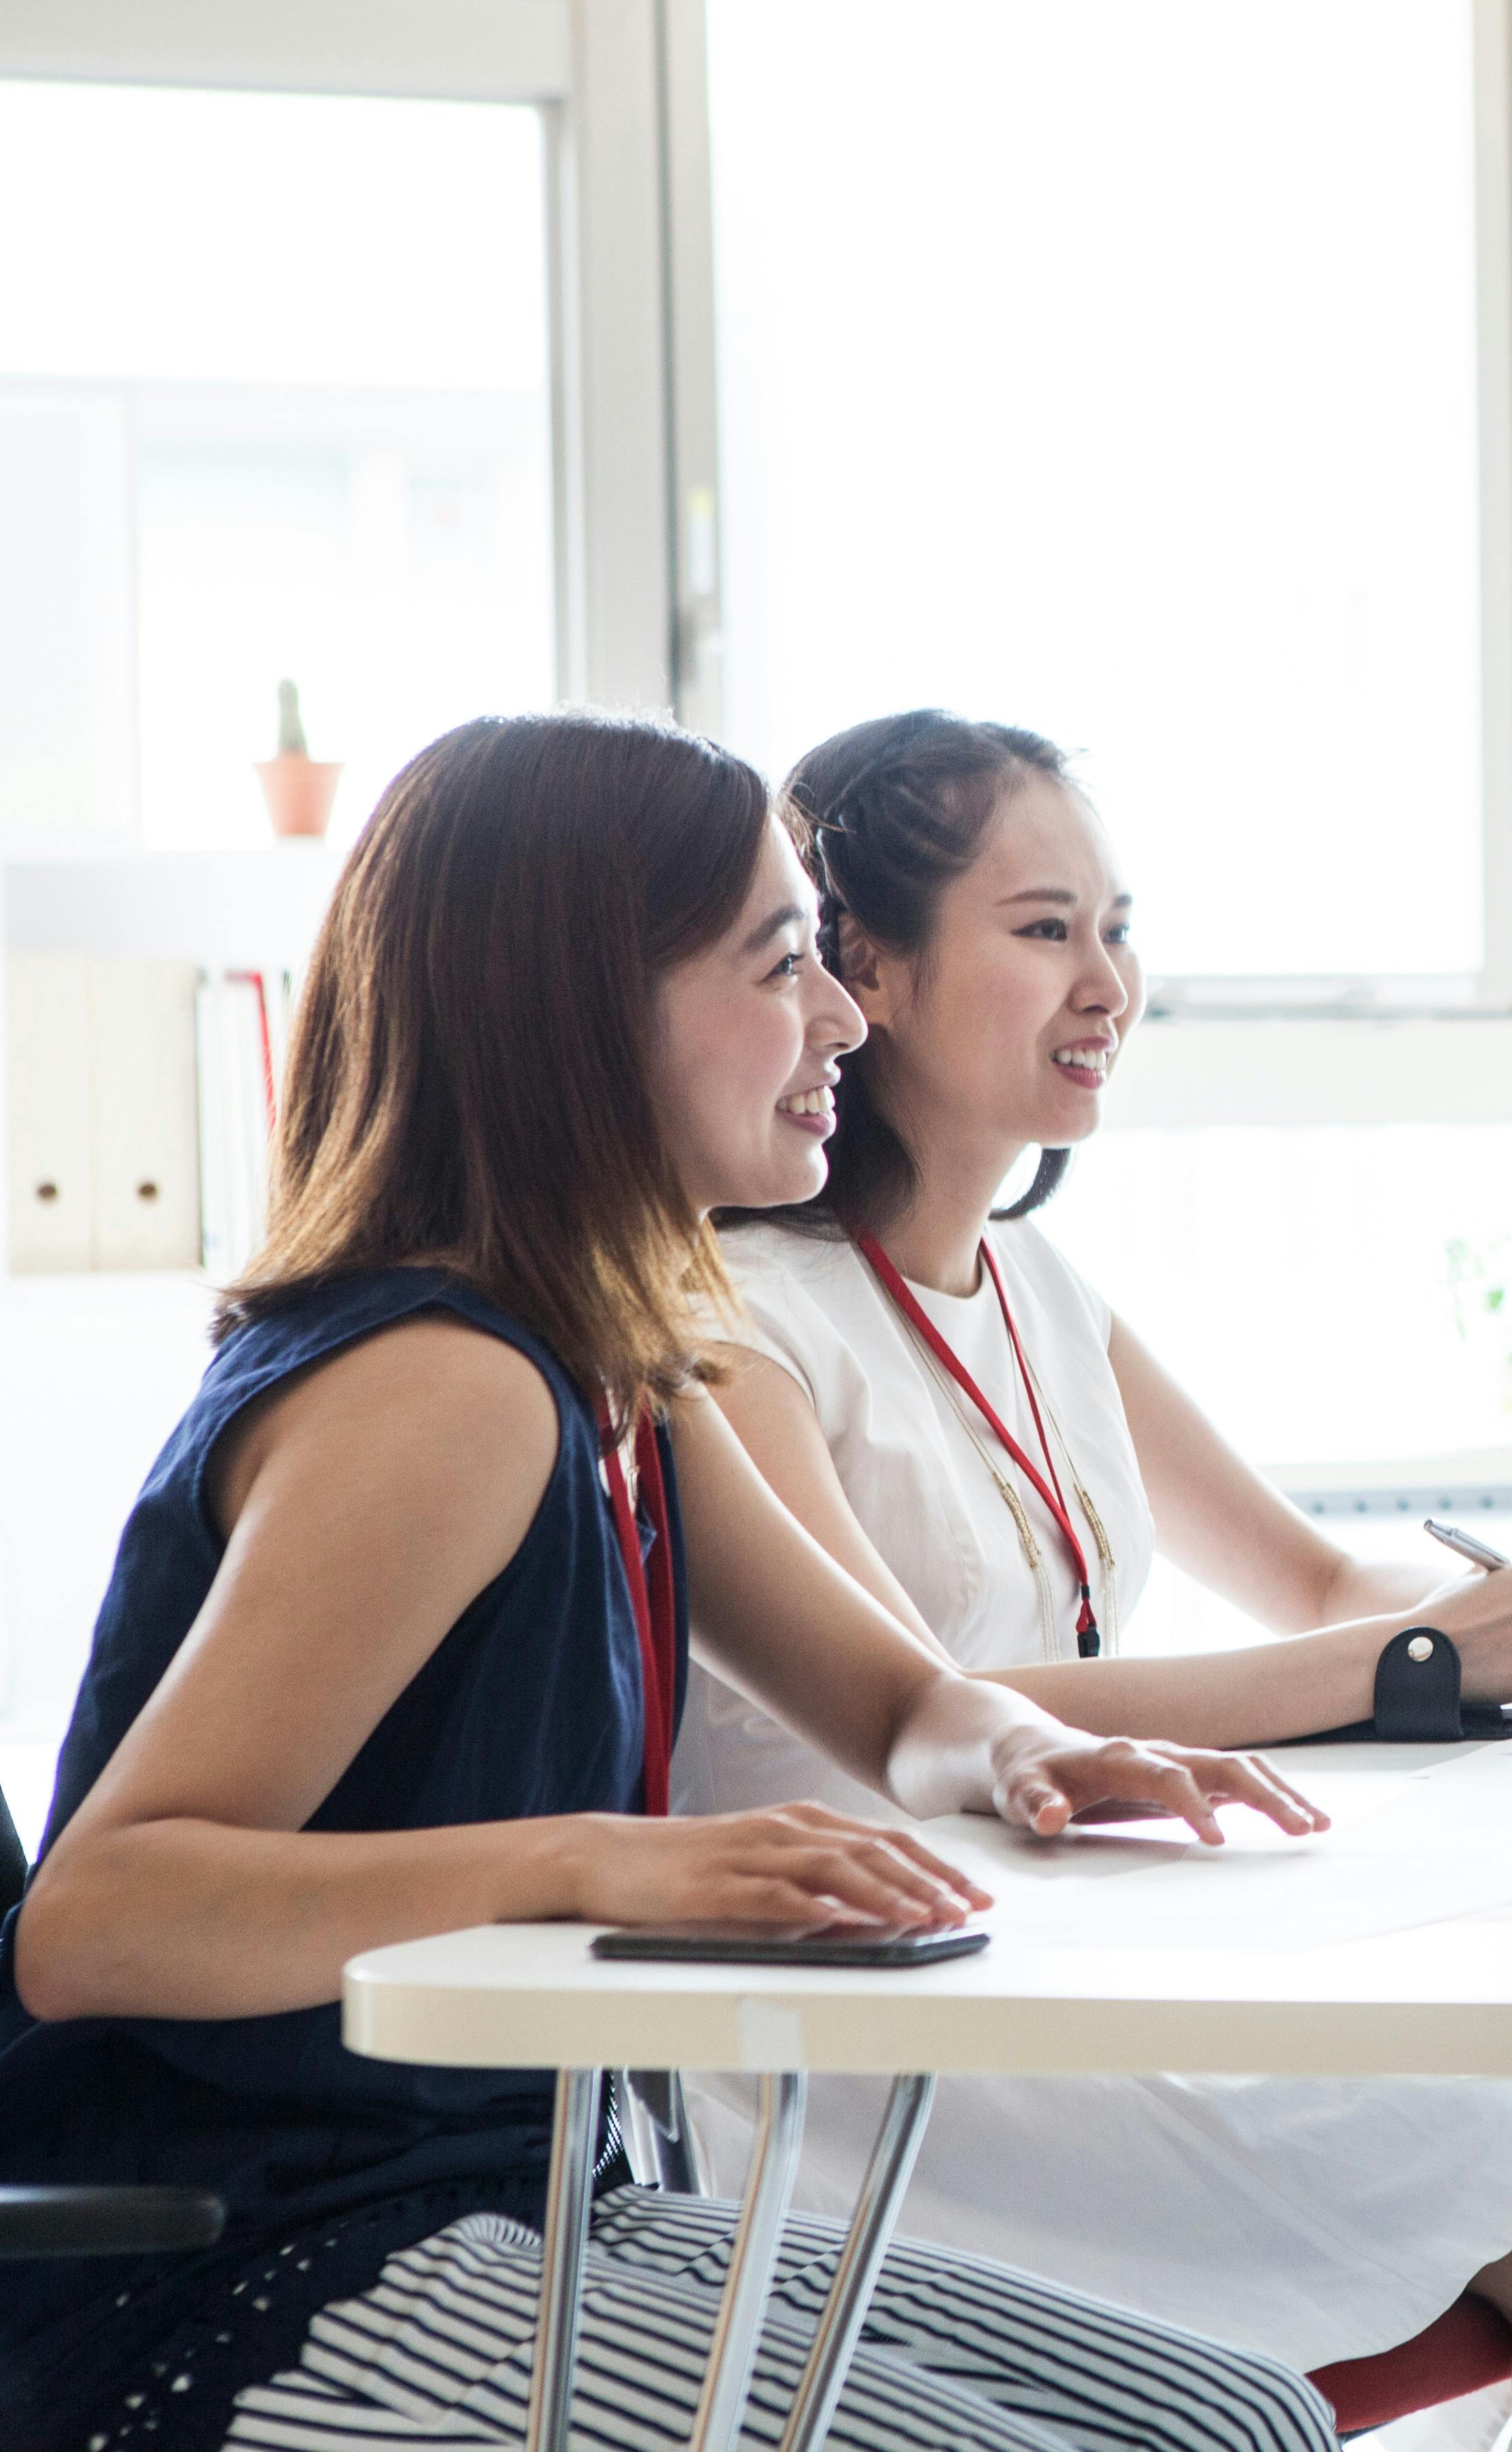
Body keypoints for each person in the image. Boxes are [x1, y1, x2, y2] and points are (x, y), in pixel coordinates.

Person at [0, 712, 1343, 2452]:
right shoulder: (446, 1393)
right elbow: (97, 1922)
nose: (842, 1016)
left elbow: (901, 1705)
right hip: (255, 2276)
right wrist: (592, 1860)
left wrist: (1032, 1755)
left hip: (535, 2200)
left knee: (1248, 2419)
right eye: (782, 964)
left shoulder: (625, 1365)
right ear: (581, 1013)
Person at [677, 709, 1512, 2451]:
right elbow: (929, 1709)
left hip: (1079, 1957)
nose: (1107, 984)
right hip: (883, 2041)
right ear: (861, 968)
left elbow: (1314, 1574)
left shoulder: (1035, 1284)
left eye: (1119, 928)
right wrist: (1418, 1656)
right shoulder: (739, 1323)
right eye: (1046, 930)